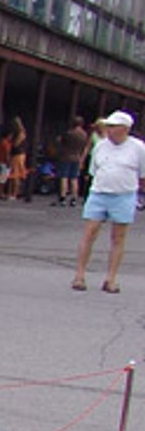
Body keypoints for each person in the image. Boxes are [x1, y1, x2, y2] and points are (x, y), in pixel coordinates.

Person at [71, 109, 145, 294]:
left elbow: (142, 175)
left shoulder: (138, 148)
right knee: (89, 233)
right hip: (99, 193)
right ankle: (79, 275)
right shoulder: (101, 146)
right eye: (108, 126)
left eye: (113, 127)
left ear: (125, 129)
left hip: (124, 194)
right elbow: (94, 170)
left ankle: (111, 278)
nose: (109, 130)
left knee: (118, 237)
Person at [56, 116, 89, 207]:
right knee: (74, 178)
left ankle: (63, 197)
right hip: (77, 157)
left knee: (64, 177)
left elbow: (61, 142)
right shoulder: (84, 135)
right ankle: (74, 198)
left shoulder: (69, 133)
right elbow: (85, 147)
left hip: (66, 156)